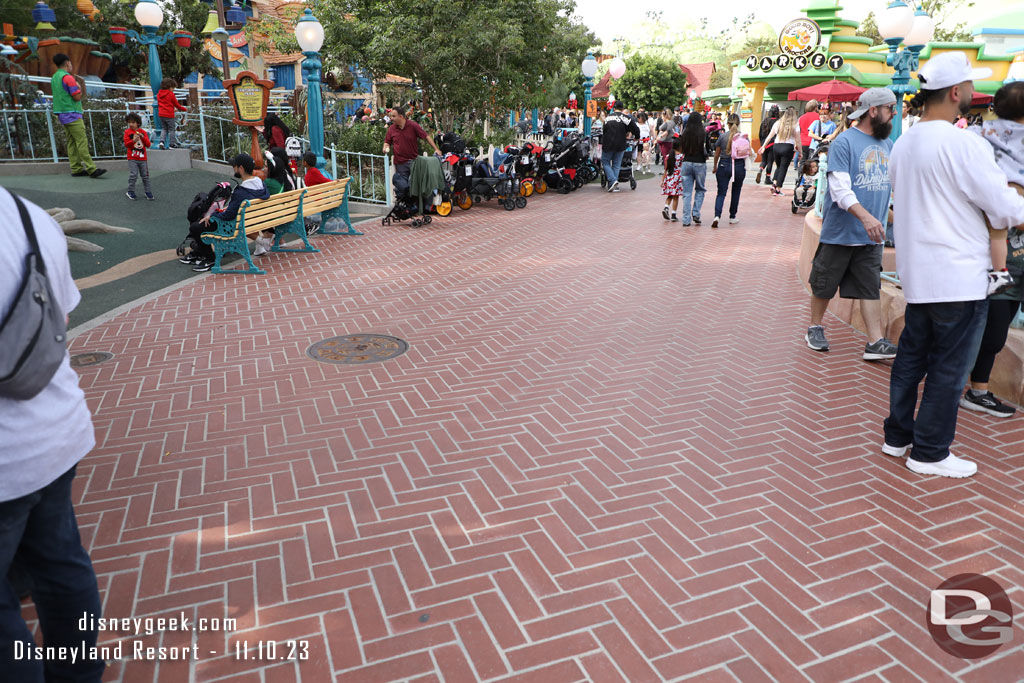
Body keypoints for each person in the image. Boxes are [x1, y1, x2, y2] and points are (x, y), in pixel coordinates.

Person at [883, 52, 1024, 478]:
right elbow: (1003, 207)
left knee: (911, 357)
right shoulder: (964, 143)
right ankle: (929, 452)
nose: (975, 94)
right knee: (948, 367)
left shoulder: (904, 142)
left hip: (918, 272)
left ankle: (898, 436)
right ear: (956, 92)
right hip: (959, 275)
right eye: (970, 87)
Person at [0, 189, 106, 683]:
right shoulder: (28, 218)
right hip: (55, 432)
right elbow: (59, 317)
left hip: (6, 461)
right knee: (61, 565)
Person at [805, 88, 899, 362]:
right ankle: (815, 327)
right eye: (890, 108)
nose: (894, 114)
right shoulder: (844, 142)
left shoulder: (887, 145)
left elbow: (890, 188)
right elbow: (840, 190)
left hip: (872, 237)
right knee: (824, 283)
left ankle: (875, 342)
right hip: (841, 233)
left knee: (869, 287)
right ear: (873, 111)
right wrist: (866, 217)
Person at [962, 81, 1024, 418]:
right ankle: (977, 389)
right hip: (1002, 255)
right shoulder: (988, 142)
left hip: (1000, 249)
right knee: (994, 328)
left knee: (995, 326)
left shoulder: (980, 136)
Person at [185, 153, 270, 271]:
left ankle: (210, 259)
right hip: (253, 221)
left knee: (196, 227)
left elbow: (228, 215)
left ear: (241, 168)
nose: (233, 168)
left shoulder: (241, 192)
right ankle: (201, 252)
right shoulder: (262, 186)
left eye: (234, 166)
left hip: (234, 226)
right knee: (203, 223)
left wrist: (211, 216)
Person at [50, 54, 105, 179]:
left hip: (62, 114)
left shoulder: (54, 77)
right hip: (72, 113)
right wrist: (79, 88)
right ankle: (91, 169)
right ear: (68, 63)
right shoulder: (68, 78)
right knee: (81, 141)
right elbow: (77, 97)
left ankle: (76, 168)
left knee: (72, 142)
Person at [382, 106, 440, 199]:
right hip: (400, 163)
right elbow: (387, 142)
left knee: (416, 185)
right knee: (404, 187)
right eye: (390, 116)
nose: (391, 118)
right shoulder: (391, 129)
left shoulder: (413, 125)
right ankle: (406, 205)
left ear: (401, 116)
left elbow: (426, 136)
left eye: (393, 116)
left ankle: (418, 205)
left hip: (414, 162)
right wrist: (385, 147)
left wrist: (436, 149)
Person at [711, 113, 752, 228]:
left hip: (724, 165)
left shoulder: (722, 136)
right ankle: (732, 216)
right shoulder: (744, 137)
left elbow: (717, 154)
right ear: (738, 124)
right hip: (739, 166)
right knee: (736, 192)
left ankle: (717, 216)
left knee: (721, 193)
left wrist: (715, 166)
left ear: (727, 124)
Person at [759, 107, 800, 196]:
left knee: (779, 166)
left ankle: (774, 183)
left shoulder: (778, 123)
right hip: (788, 147)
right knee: (783, 168)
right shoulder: (795, 124)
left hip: (776, 146)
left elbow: (770, 136)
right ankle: (778, 189)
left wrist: (763, 146)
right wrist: (800, 151)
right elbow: (798, 140)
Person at [602, 101, 640, 192]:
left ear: (614, 108)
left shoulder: (608, 118)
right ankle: (614, 184)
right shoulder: (626, 118)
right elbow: (636, 129)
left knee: (605, 162)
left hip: (608, 144)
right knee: (616, 164)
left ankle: (612, 180)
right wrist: (636, 137)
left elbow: (604, 130)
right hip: (621, 144)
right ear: (622, 109)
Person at [677, 112, 706, 226]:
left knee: (687, 193)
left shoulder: (685, 133)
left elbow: (682, 149)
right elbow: (708, 147)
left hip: (687, 162)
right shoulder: (703, 133)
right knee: (700, 189)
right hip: (700, 163)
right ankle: (696, 213)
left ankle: (685, 219)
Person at [123, 112, 153, 201]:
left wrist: (142, 137)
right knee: (133, 175)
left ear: (138, 123)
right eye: (129, 122)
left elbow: (148, 144)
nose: (131, 124)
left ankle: (148, 192)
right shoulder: (127, 132)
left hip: (142, 158)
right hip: (132, 158)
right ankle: (130, 191)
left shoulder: (143, 132)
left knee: (145, 176)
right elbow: (127, 144)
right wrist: (133, 141)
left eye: (133, 122)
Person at [156, 77, 186, 149]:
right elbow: (176, 104)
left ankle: (161, 141)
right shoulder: (171, 94)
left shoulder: (159, 94)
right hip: (169, 115)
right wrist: (184, 109)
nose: (173, 90)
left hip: (161, 114)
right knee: (172, 129)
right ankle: (172, 144)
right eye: (173, 88)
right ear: (169, 87)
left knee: (164, 129)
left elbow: (164, 104)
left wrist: (172, 109)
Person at [661, 137, 684, 221]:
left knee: (670, 195)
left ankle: (666, 207)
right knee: (676, 197)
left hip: (669, 177)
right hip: (678, 178)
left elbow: (666, 169)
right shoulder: (681, 156)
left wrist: (662, 180)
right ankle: (673, 214)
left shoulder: (668, 156)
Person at [755, 105, 780, 185]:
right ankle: (767, 178)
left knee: (764, 161)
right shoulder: (777, 122)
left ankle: (760, 169)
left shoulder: (764, 121)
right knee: (770, 162)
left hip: (764, 144)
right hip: (773, 144)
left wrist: (762, 144)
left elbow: (760, 134)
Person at [798, 100, 820, 164]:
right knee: (813, 162)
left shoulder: (801, 117)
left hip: (803, 142)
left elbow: (799, 130)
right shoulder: (818, 117)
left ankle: (800, 173)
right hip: (814, 142)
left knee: (802, 161)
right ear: (816, 107)